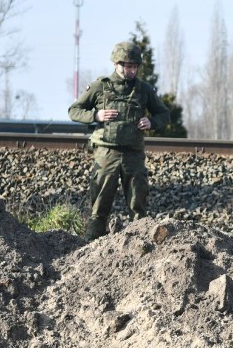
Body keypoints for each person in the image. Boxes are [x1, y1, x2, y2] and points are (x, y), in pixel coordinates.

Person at [68, 41, 170, 241]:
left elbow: (164, 114)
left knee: (137, 204)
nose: (131, 70)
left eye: (134, 66)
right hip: (106, 154)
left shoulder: (144, 90)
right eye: (127, 66)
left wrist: (151, 121)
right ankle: (91, 245)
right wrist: (96, 116)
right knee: (100, 205)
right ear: (116, 64)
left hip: (133, 154)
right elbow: (74, 110)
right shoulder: (100, 86)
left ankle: (141, 246)